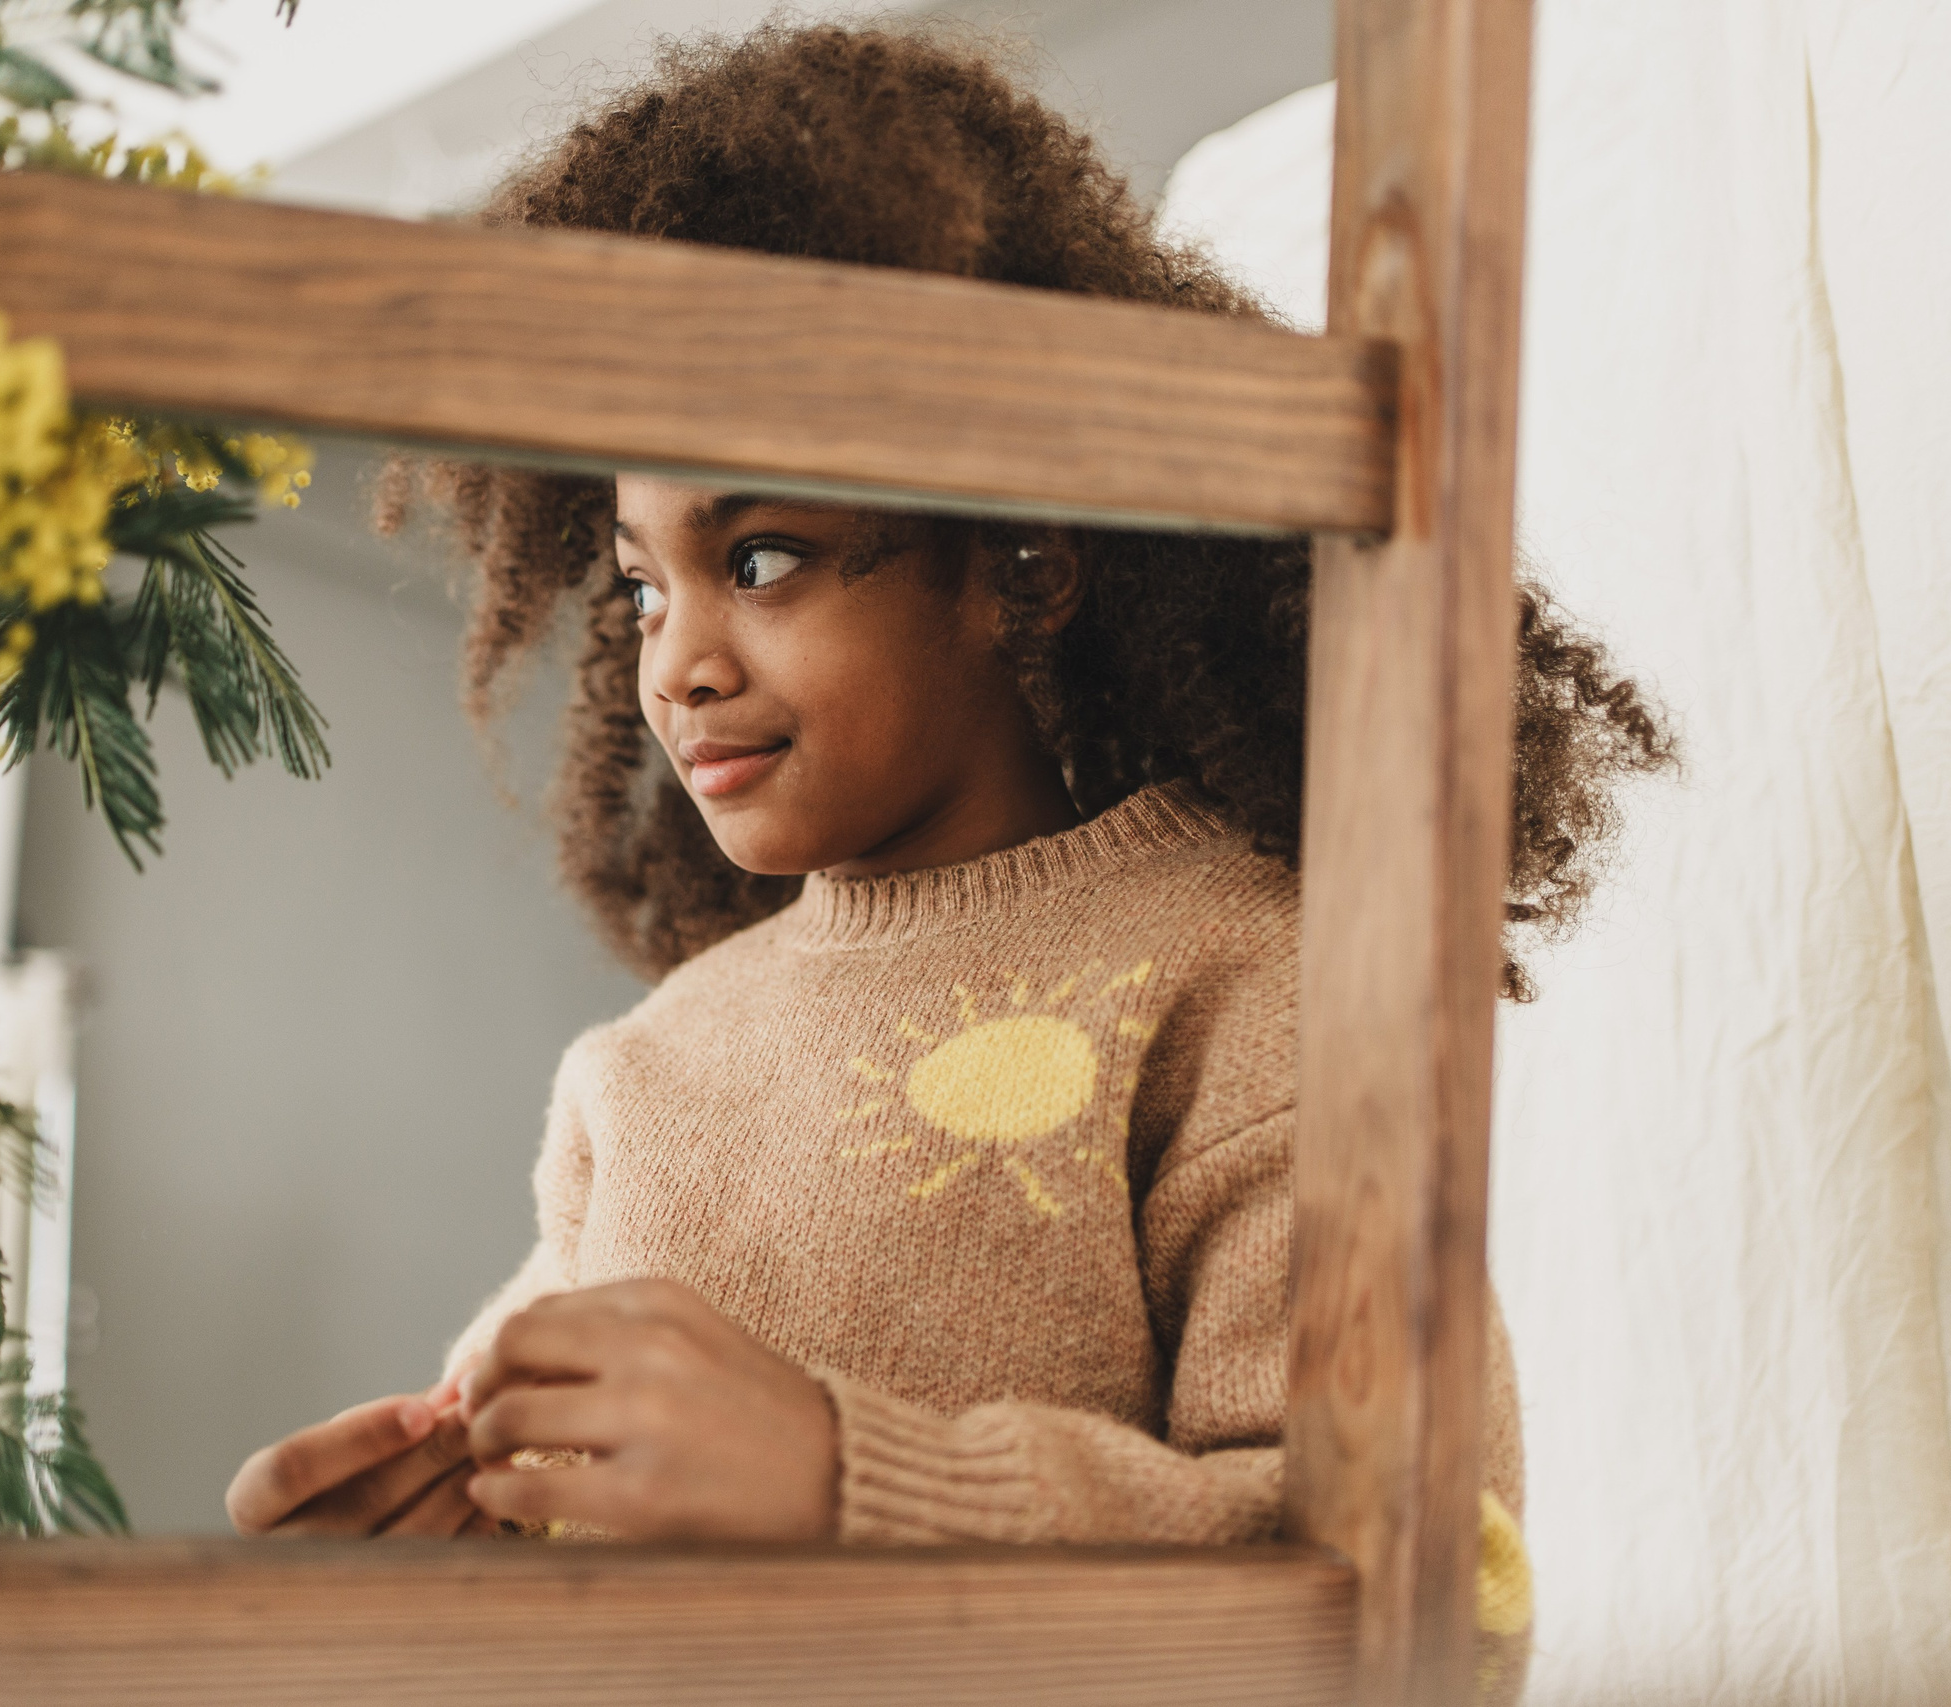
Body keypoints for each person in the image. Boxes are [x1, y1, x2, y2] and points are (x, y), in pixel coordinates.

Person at [224, 21, 1670, 1696]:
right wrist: (414, 1567)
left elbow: (1440, 1605)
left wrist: (855, 1484)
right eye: (640, 584)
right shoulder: (641, 1075)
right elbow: (553, 1544)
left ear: (1023, 567)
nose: (672, 660)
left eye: (762, 556)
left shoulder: (1249, 976)